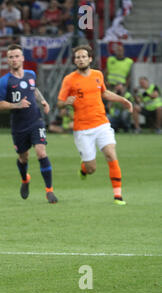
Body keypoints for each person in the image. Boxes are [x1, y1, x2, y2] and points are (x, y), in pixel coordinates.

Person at [57, 45, 133, 205]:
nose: (80, 59)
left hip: (102, 124)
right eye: (78, 57)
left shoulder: (98, 75)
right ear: (74, 60)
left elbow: (104, 92)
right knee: (91, 168)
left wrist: (123, 100)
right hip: (82, 129)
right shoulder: (69, 79)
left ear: (90, 59)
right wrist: (65, 103)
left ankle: (118, 196)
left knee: (111, 155)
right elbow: (59, 102)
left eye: (84, 56)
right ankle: (84, 169)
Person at [0, 44, 58, 204]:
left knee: (41, 152)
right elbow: (0, 104)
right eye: (11, 57)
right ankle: (25, 179)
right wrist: (16, 105)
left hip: (35, 120)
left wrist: (43, 101)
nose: (14, 59)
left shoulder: (31, 74)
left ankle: (49, 191)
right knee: (23, 158)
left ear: (22, 58)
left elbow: (34, 89)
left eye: (17, 56)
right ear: (8, 60)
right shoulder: (5, 81)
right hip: (18, 125)